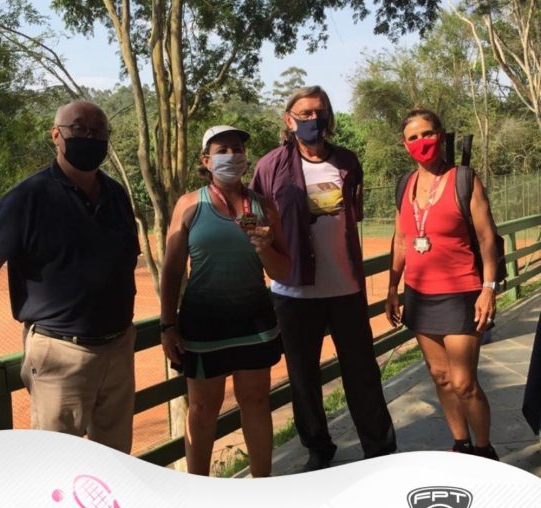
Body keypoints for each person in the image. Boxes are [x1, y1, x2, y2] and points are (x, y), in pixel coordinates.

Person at [0, 100, 139, 454]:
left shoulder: (116, 195)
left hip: (119, 347)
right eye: (80, 129)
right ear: (56, 135)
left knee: (117, 459)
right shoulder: (26, 198)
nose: (91, 137)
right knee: (57, 462)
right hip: (60, 353)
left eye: (99, 131)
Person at [250, 86, 397, 472]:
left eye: (320, 111)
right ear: (289, 120)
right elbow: (257, 218)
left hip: (346, 286)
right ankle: (318, 448)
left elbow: (354, 213)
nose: (313, 119)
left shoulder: (347, 161)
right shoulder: (269, 166)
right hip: (293, 291)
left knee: (362, 371)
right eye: (305, 113)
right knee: (303, 378)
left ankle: (379, 449)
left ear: (329, 116)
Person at [160, 125, 291, 477]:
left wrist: (265, 249)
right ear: (206, 161)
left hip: (254, 323)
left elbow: (283, 271)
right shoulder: (189, 204)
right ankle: (198, 491)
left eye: (237, 149)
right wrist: (167, 325)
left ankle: (262, 484)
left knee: (256, 402)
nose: (232, 155)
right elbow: (172, 270)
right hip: (203, 326)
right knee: (203, 409)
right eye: (223, 150)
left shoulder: (264, 206)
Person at [385, 108, 499, 460]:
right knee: (440, 376)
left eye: (428, 134)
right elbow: (401, 240)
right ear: (405, 144)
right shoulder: (405, 185)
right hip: (420, 295)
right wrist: (392, 287)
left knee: (464, 382)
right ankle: (460, 444)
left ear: (440, 135)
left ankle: (485, 450)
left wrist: (488, 288)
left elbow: (487, 238)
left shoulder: (463, 179)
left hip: (461, 293)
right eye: (414, 137)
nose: (422, 142)